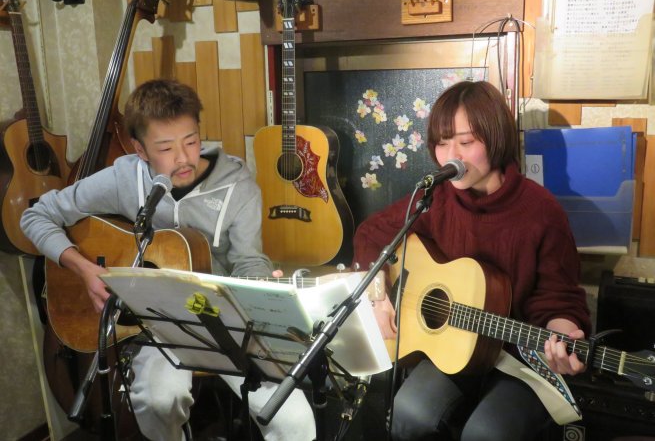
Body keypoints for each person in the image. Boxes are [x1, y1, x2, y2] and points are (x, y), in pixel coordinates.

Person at [21, 79, 316, 441]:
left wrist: (262, 287)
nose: (183, 158)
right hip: (155, 323)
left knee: (294, 419)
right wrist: (84, 270)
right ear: (140, 149)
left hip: (225, 320)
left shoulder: (238, 185)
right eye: (165, 148)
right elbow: (36, 216)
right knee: (159, 401)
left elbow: (248, 261)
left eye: (191, 141)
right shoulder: (124, 178)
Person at [352, 80, 591, 441]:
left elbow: (559, 297)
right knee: (408, 412)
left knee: (486, 433)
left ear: (495, 139)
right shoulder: (436, 198)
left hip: (518, 358)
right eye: (442, 143)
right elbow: (371, 234)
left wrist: (562, 336)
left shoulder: (541, 211)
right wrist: (378, 297)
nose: (452, 156)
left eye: (465, 143)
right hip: (453, 347)